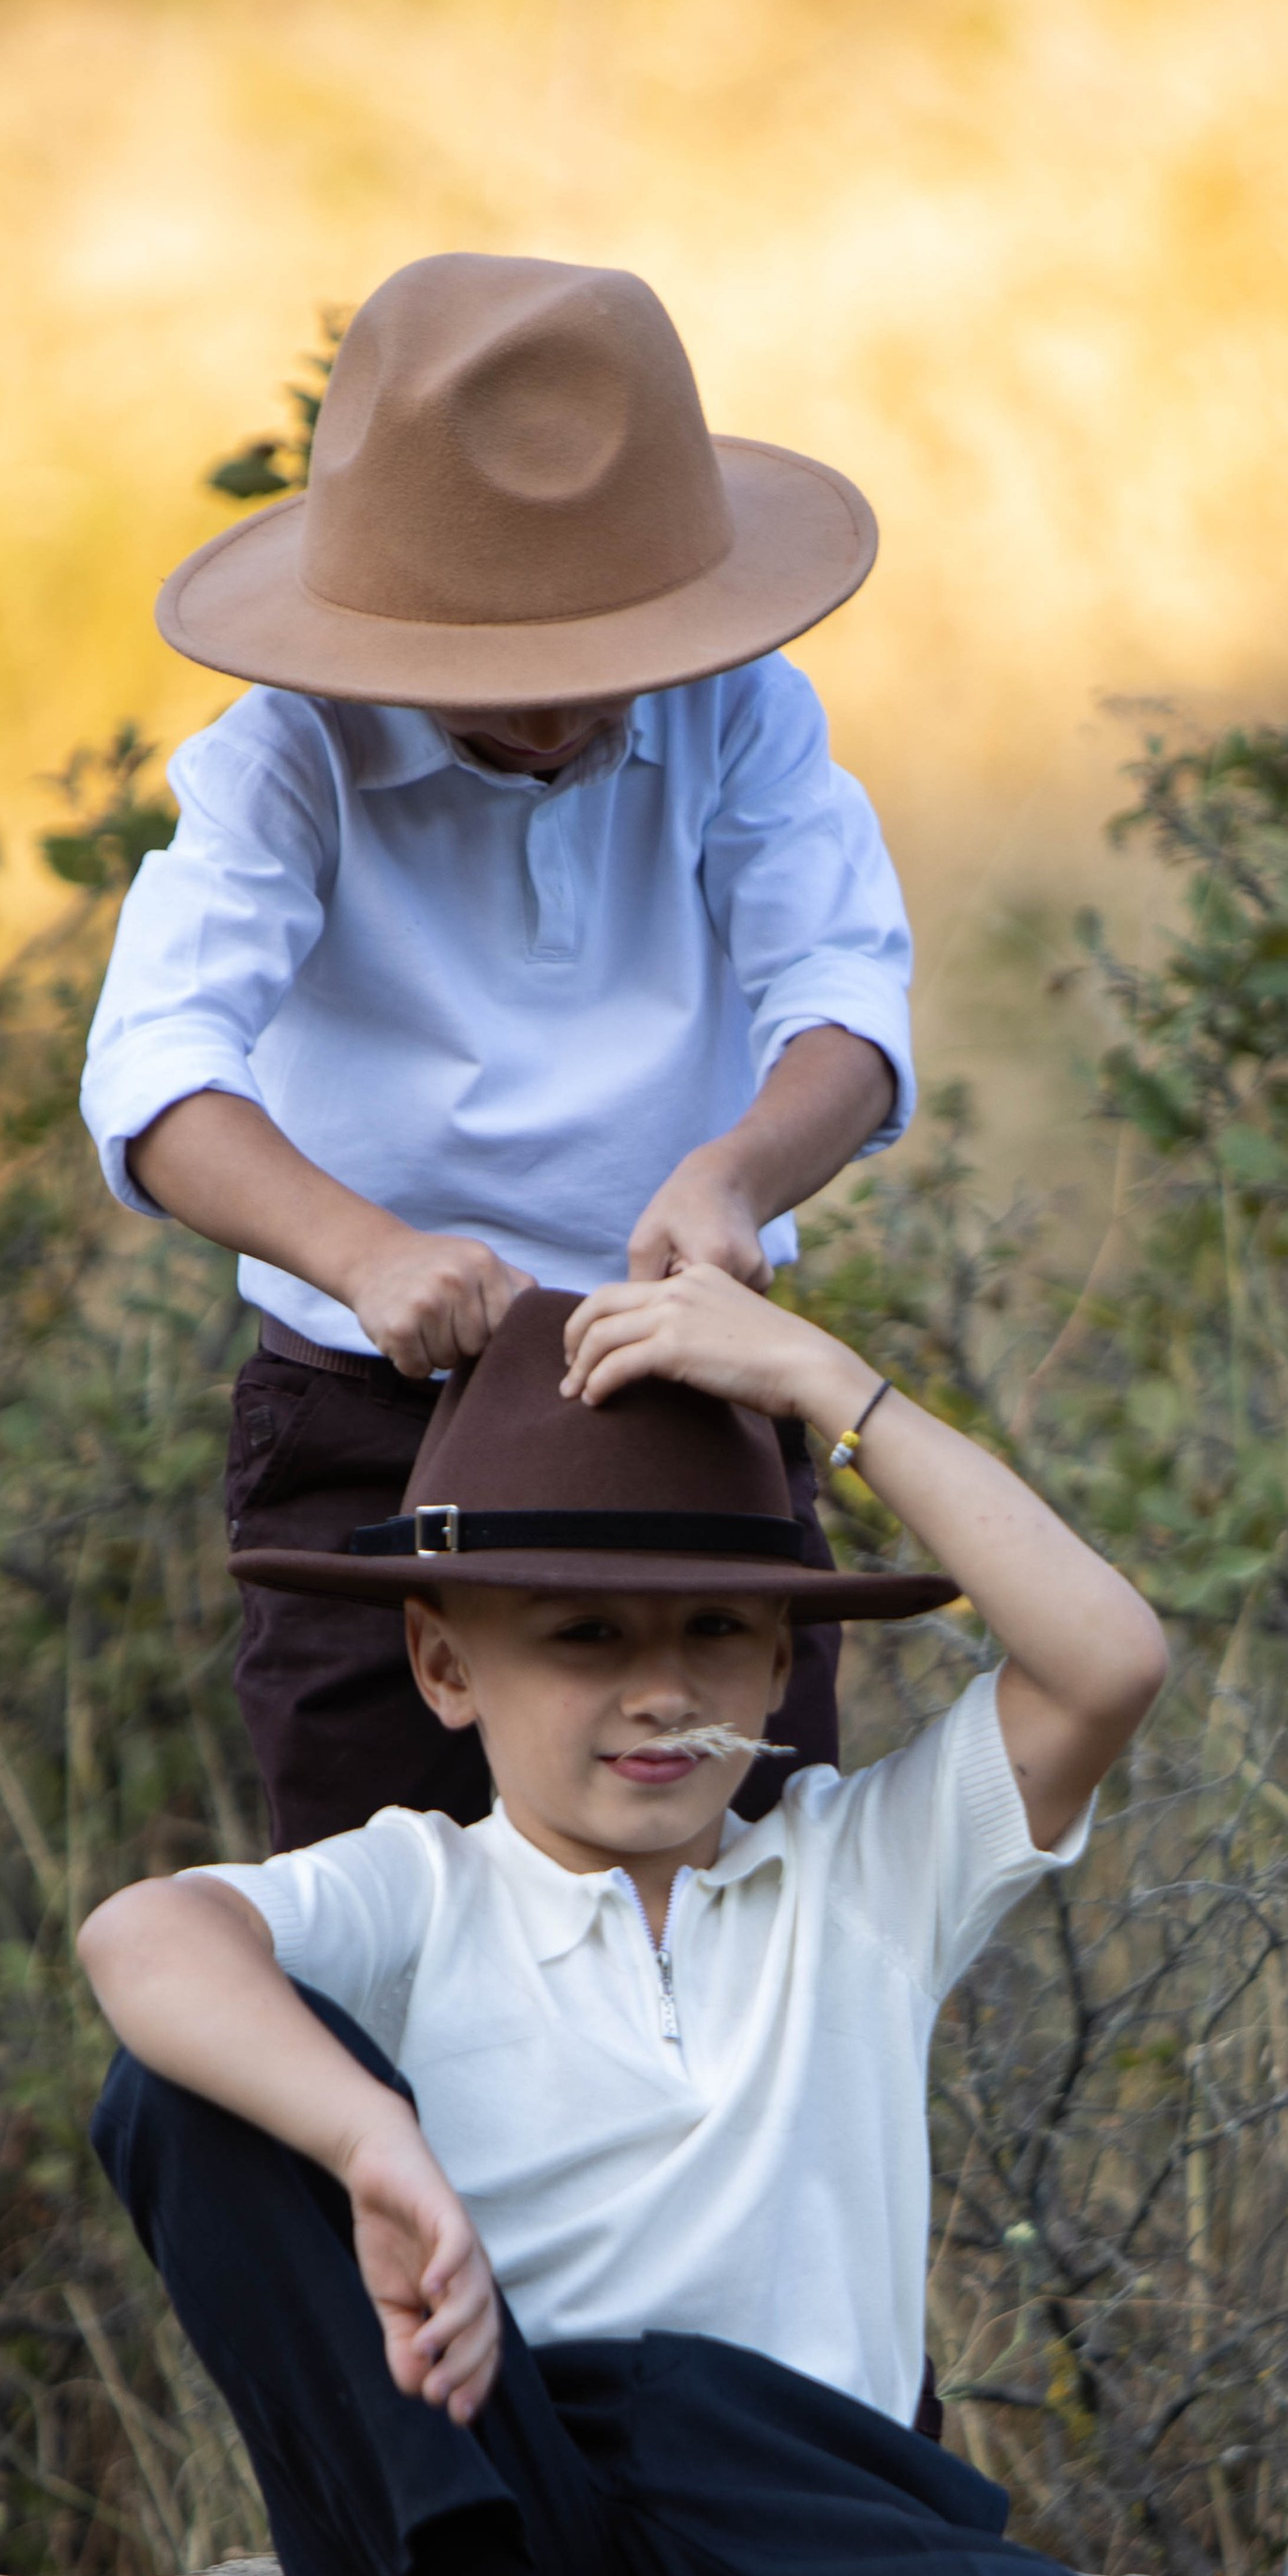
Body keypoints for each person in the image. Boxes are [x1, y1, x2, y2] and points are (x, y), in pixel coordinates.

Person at [78, 1274, 1288, 2576]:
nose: (663, 1692)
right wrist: (373, 2138)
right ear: (442, 1661)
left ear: (788, 1658)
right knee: (186, 2087)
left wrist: (829, 1385)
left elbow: (1107, 1654)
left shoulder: (857, 1873)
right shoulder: (418, 1892)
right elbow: (143, 1939)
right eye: (583, 1639)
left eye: (720, 1632)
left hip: (801, 2549)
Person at [80, 250, 914, 1850]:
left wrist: (736, 1174)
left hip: (684, 1379)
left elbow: (848, 1008)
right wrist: (366, 1252)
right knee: (390, 1897)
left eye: (588, 663)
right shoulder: (286, 756)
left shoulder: (746, 714)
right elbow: (158, 1067)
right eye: (491, 675)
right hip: (368, 1405)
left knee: (738, 1880)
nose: (543, 716)